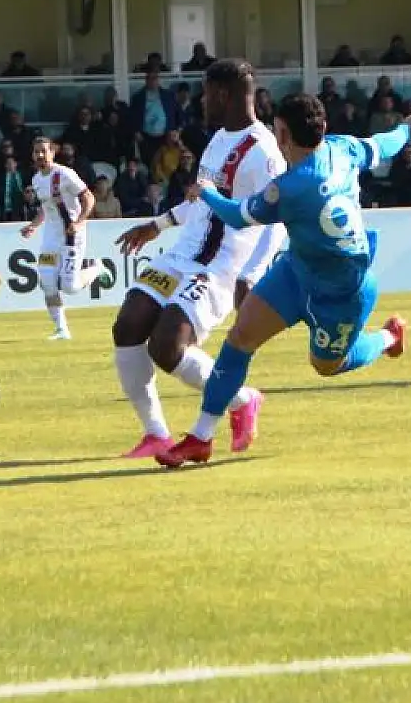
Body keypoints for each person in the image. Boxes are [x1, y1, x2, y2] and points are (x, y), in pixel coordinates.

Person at [152, 93, 411, 468]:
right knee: (240, 338)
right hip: (297, 272)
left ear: (281, 134)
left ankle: (389, 337)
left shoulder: (290, 189)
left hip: (341, 295)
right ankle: (201, 436)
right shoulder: (342, 148)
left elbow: (236, 215)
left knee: (327, 365)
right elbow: (381, 145)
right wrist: (406, 130)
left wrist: (207, 192)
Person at [111, 59, 286, 460]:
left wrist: (250, 275)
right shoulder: (219, 138)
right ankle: (156, 434)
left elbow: (277, 221)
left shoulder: (264, 152)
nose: (202, 101)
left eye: (207, 93)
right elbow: (201, 200)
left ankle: (242, 400)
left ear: (223, 94)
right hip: (180, 255)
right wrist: (158, 224)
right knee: (128, 324)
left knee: (167, 347)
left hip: (218, 267)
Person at [22, 135, 104, 341]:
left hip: (71, 235)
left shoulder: (65, 174)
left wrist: (79, 222)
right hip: (50, 238)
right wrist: (33, 226)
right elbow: (46, 208)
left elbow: (89, 197)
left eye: (44, 151)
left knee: (70, 287)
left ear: (52, 152)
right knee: (47, 281)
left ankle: (96, 268)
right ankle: (61, 329)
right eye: (36, 152)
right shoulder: (36, 179)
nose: (40, 155)